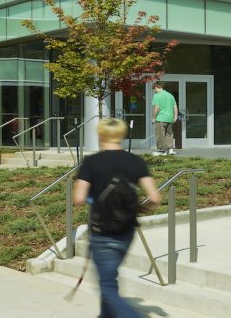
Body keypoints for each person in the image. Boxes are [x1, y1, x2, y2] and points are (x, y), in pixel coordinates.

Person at [73, 117, 161, 318]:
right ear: (122, 135)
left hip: (102, 231)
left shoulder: (92, 162)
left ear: (100, 135)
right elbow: (155, 197)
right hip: (126, 230)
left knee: (106, 285)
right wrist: (140, 209)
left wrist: (93, 198)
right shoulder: (136, 161)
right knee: (109, 279)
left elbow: (78, 198)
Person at [152, 83, 177, 155]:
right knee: (169, 133)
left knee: (160, 134)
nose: (154, 91)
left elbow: (157, 107)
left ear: (156, 87)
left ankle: (163, 150)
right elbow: (175, 107)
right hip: (170, 118)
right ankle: (170, 149)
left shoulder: (157, 96)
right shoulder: (170, 95)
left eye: (154, 89)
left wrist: (154, 117)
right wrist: (175, 117)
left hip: (161, 118)